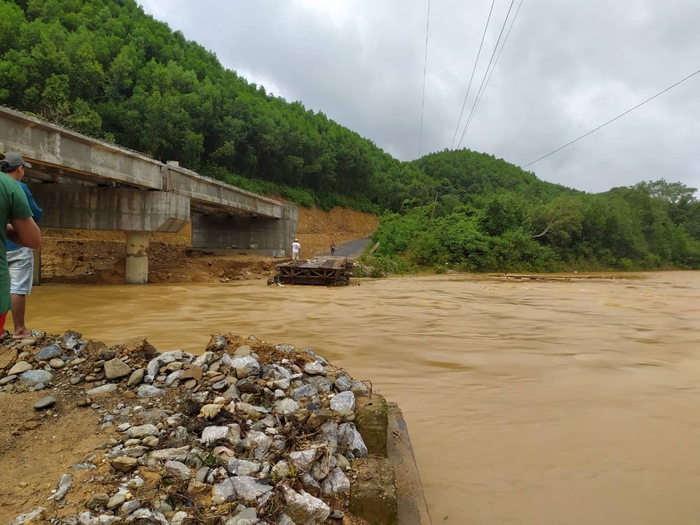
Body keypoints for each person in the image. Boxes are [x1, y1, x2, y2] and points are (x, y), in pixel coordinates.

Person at [0, 151, 41, 339]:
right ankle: (19, 329)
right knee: (17, 288)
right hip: (16, 246)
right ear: (20, 168)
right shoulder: (16, 187)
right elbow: (35, 215)